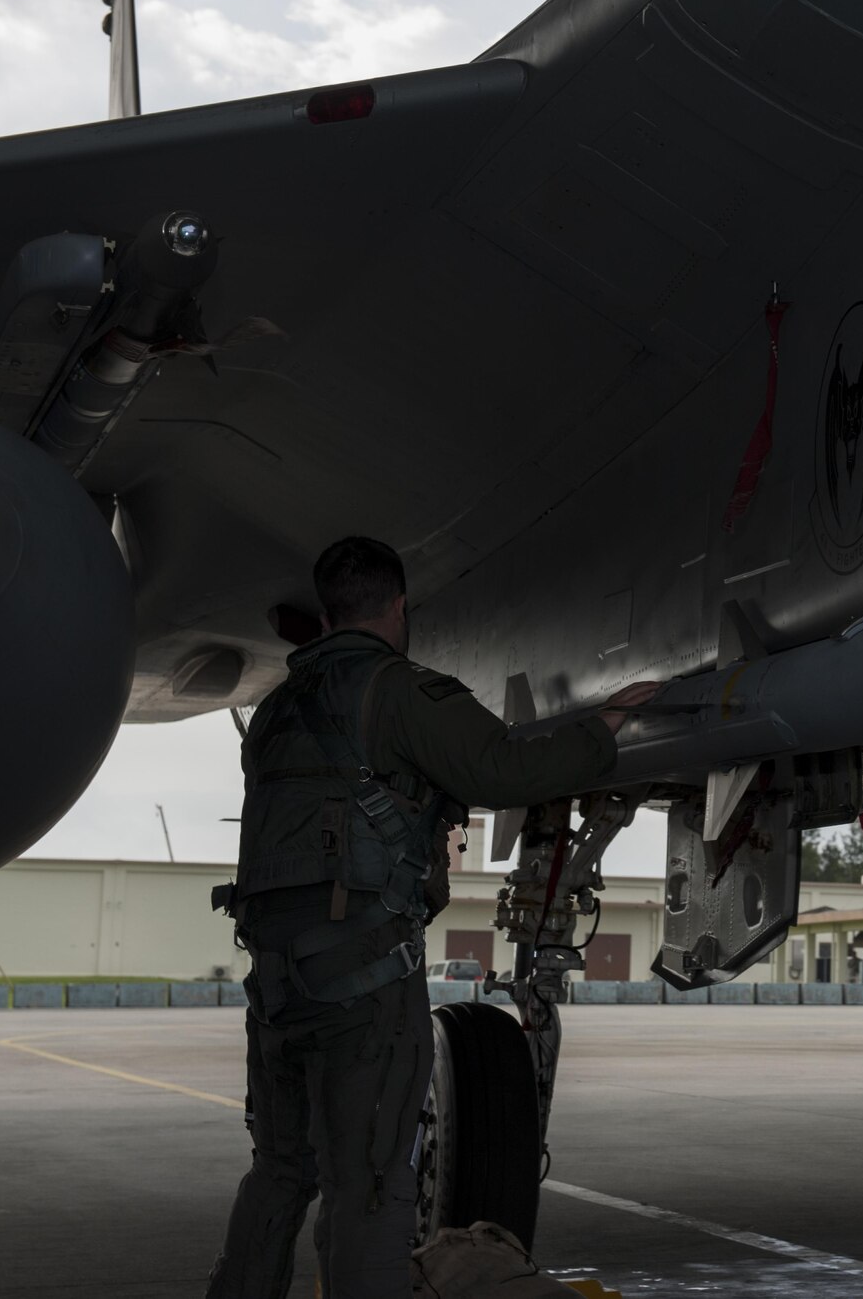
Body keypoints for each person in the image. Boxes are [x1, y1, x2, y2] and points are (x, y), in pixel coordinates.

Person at [205, 536, 658, 1299]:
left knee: (282, 1173)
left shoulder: (279, 706)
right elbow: (501, 769)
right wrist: (605, 724)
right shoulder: (399, 692)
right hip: (363, 985)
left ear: (325, 611)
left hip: (277, 986)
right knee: (372, 1187)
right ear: (399, 606)